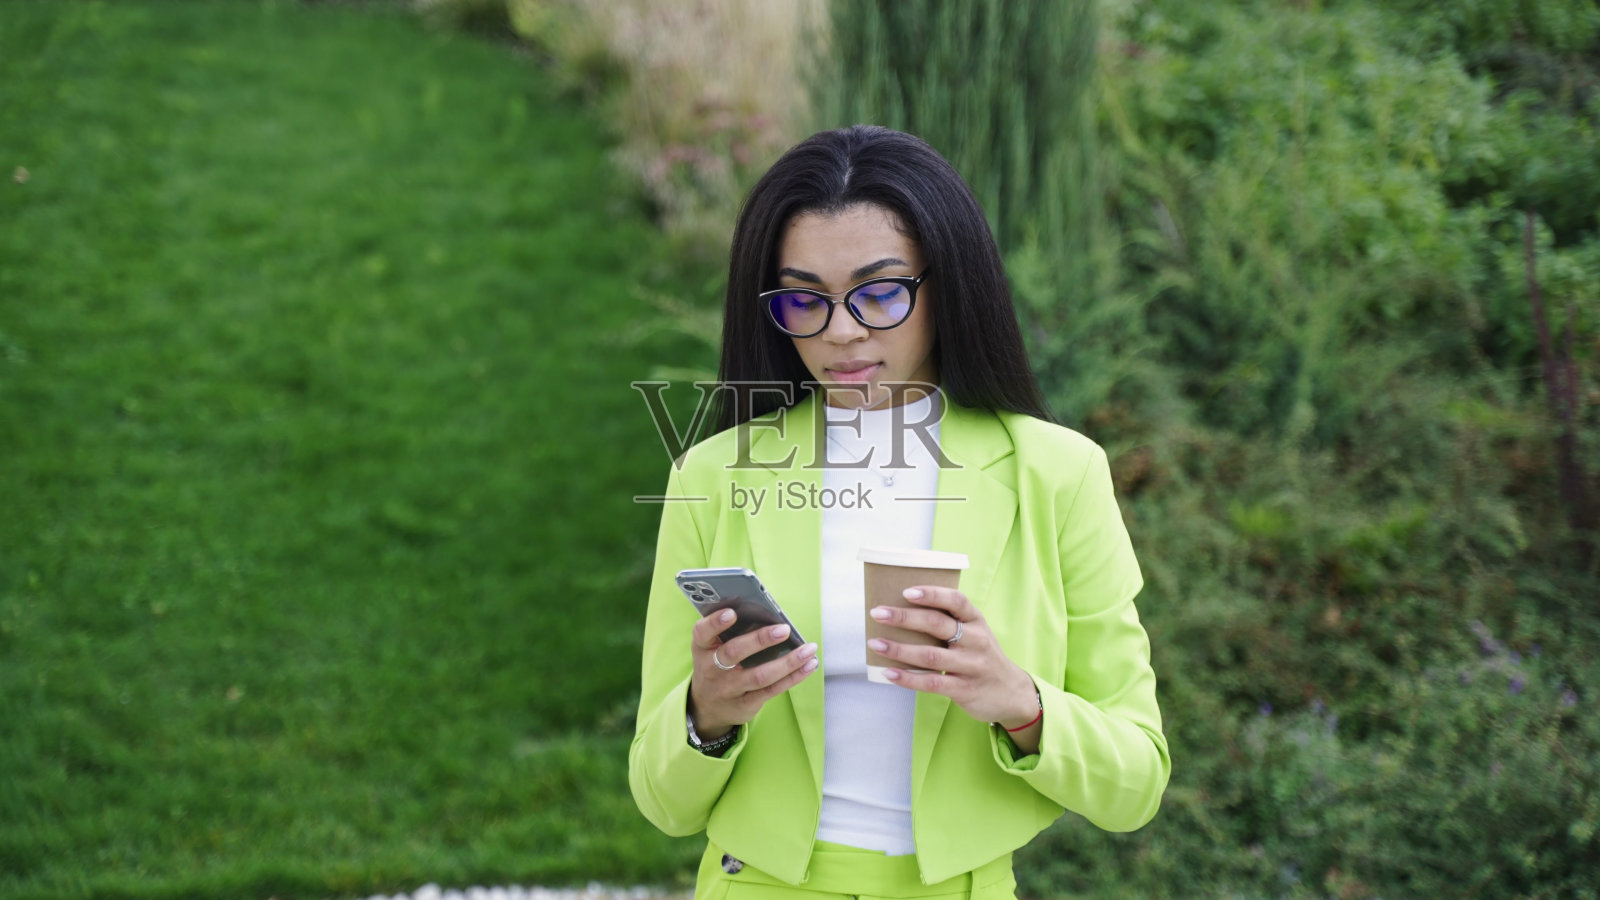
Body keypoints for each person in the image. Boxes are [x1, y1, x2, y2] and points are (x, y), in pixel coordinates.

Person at [629, 125, 1169, 900]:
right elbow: (661, 800)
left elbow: (1136, 784)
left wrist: (1017, 700)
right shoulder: (713, 477)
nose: (841, 330)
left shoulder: (1059, 472)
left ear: (946, 282)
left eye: (880, 292)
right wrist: (703, 717)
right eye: (803, 299)